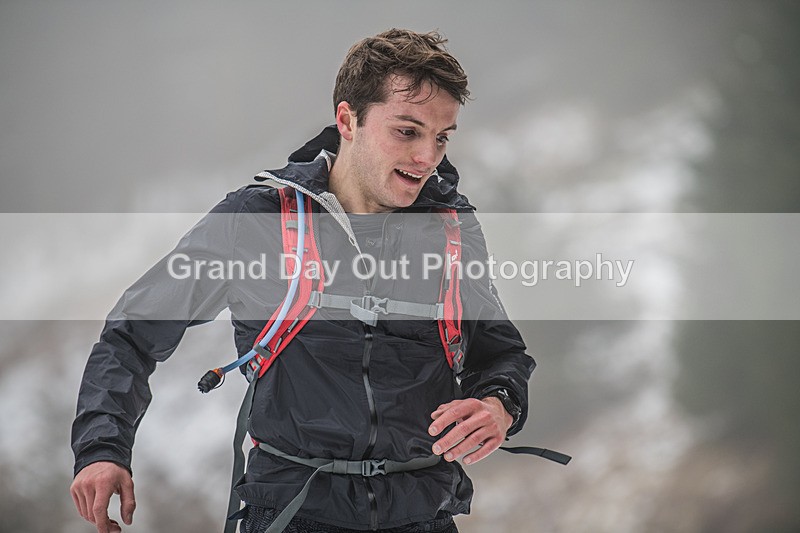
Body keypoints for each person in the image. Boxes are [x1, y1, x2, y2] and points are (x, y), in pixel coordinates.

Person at [70, 29, 536, 533]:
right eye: (408, 131)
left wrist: (498, 405)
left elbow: (500, 354)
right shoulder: (256, 220)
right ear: (348, 121)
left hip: (423, 516)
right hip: (292, 516)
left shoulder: (452, 229)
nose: (428, 157)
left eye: (441, 137)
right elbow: (131, 333)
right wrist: (102, 449)